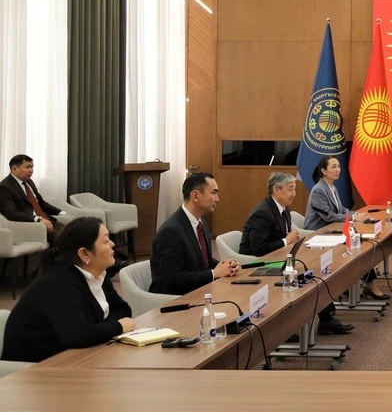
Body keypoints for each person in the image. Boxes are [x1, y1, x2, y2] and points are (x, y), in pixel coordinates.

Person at [1, 217, 134, 362]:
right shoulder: (58, 283)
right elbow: (78, 335)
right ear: (84, 253)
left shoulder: (98, 274)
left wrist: (97, 328)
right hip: (32, 368)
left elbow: (124, 310)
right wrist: (116, 327)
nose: (113, 244)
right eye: (106, 241)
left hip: (72, 357)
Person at [239, 172, 353, 335]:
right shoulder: (262, 213)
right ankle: (306, 324)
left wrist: (290, 239)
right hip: (258, 264)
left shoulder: (283, 209)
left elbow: (282, 237)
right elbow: (259, 249)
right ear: (276, 190)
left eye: (294, 189)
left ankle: (326, 319)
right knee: (309, 276)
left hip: (279, 258)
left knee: (314, 271)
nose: (294, 194)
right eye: (290, 189)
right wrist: (286, 241)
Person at [305, 156, 389, 300]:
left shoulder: (332, 187)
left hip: (333, 230)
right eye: (334, 167)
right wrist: (354, 218)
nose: (338, 169)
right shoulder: (318, 190)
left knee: (361, 245)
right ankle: (365, 285)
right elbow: (329, 216)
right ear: (324, 171)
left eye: (339, 166)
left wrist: (357, 214)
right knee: (357, 246)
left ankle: (357, 284)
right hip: (319, 233)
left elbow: (342, 210)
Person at [149, 172, 240, 295]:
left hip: (199, 291)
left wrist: (225, 266)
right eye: (214, 193)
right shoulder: (170, 232)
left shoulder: (200, 222)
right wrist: (214, 273)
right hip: (175, 299)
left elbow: (202, 261)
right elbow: (173, 279)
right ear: (195, 196)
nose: (217, 199)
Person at [0, 154, 66, 243]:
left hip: (46, 220)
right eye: (27, 167)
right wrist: (37, 219)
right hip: (31, 225)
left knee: (75, 233)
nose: (31, 170)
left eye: (32, 167)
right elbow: (11, 214)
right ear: (14, 169)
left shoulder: (29, 181)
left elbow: (41, 203)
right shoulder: (5, 187)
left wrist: (62, 212)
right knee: (65, 241)